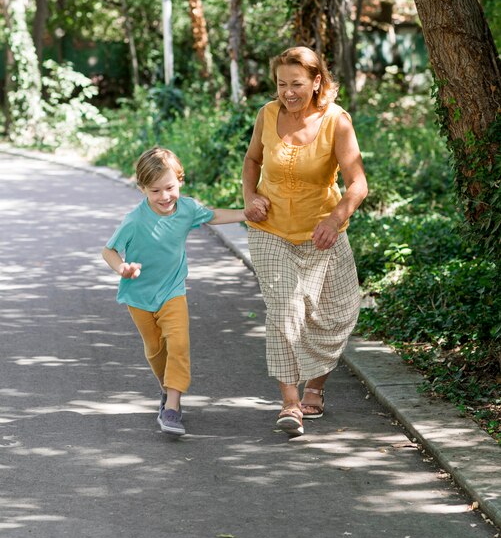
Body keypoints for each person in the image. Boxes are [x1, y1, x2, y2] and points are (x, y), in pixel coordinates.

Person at [242, 46, 368, 437]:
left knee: (332, 314)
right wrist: (250, 197)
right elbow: (252, 161)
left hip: (322, 233)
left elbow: (358, 184)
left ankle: (316, 386)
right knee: (285, 309)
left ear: (316, 81)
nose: (288, 92)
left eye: (297, 84)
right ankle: (290, 403)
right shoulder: (267, 113)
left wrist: (336, 218)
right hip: (270, 230)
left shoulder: (336, 121)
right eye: (281, 84)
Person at [102, 147, 252, 437]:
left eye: (170, 187)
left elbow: (213, 215)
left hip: (173, 291)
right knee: (156, 350)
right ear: (142, 188)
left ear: (180, 181)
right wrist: (122, 269)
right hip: (139, 297)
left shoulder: (187, 209)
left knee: (179, 344)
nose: (164, 196)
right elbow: (108, 250)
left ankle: (172, 406)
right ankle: (165, 387)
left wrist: (247, 214)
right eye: (155, 190)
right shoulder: (135, 220)